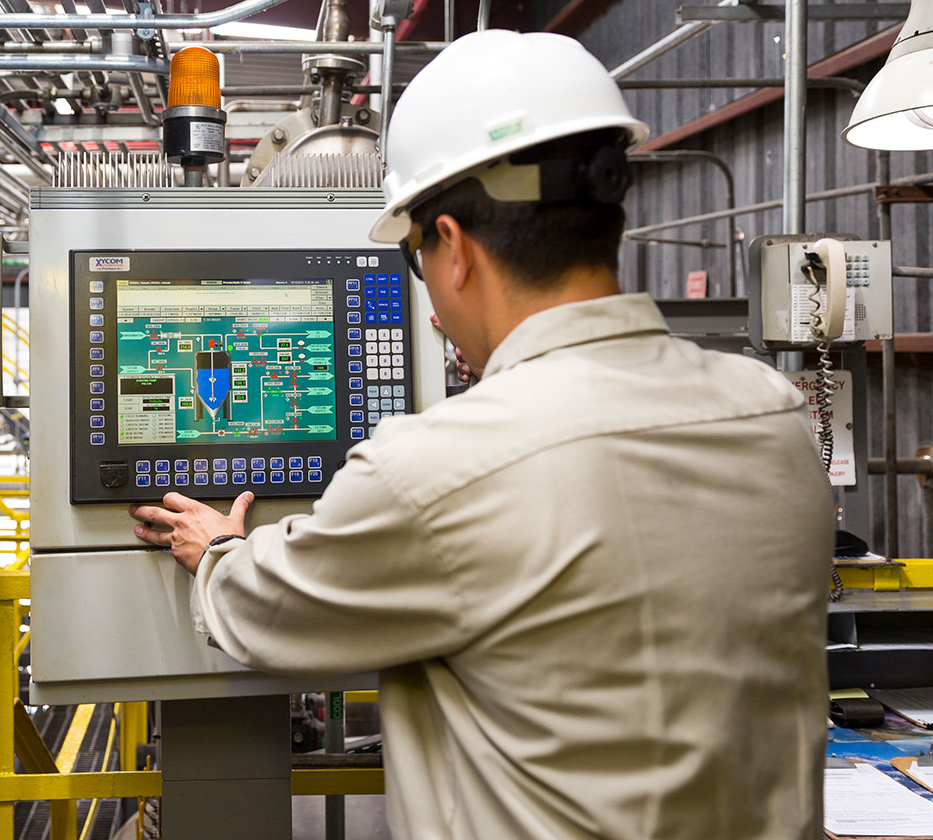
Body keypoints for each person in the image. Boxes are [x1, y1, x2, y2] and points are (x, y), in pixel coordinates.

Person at [130, 29, 834, 840]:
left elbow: (267, 614)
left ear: (454, 251)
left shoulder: (437, 470)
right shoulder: (774, 413)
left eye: (418, 262)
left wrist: (220, 552)